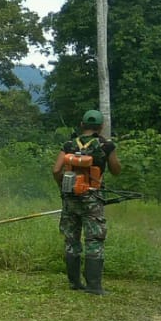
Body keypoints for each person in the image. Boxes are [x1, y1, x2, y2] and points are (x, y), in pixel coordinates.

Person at [53, 109, 121, 294]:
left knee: (71, 238)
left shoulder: (68, 145)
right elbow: (116, 170)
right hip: (92, 198)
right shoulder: (106, 145)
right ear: (101, 127)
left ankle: (75, 282)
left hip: (70, 198)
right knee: (94, 239)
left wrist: (64, 188)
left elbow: (56, 170)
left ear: (82, 125)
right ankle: (93, 285)